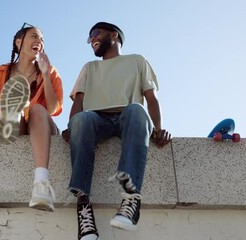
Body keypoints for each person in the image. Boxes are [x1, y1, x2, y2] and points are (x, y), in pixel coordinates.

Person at [62, 22, 172, 239]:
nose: (91, 39)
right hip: (97, 119)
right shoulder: (89, 67)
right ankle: (84, 207)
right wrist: (71, 127)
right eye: (89, 37)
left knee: (137, 110)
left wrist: (158, 129)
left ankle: (131, 199)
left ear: (114, 35)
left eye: (95, 33)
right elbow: (79, 102)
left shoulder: (137, 61)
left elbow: (151, 98)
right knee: (81, 119)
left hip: (127, 117)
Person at [0, 23, 63, 212]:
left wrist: (45, 74)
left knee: (37, 109)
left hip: (42, 128)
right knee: (17, 109)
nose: (39, 41)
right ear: (18, 42)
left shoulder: (49, 71)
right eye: (34, 36)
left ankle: (41, 184)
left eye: (42, 40)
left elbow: (53, 108)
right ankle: (8, 118)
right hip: (19, 128)